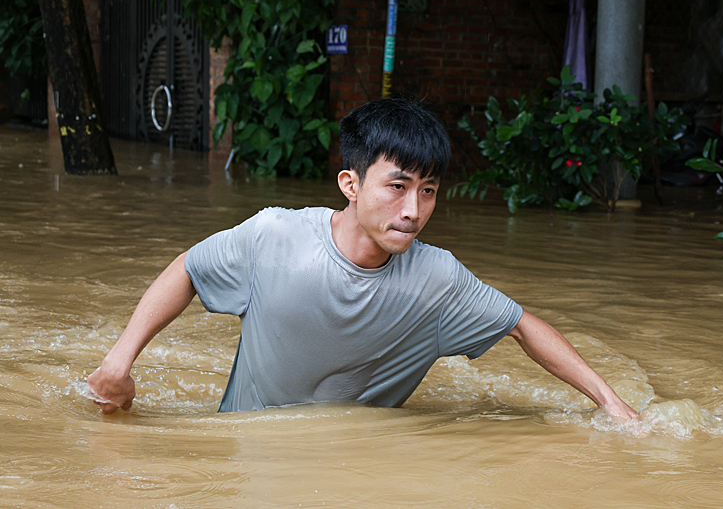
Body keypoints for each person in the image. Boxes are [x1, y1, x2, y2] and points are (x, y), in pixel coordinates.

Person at [88, 98, 638, 420]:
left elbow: (523, 327)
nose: (413, 209)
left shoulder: (436, 279)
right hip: (245, 455)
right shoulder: (275, 236)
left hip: (353, 470)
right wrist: (119, 361)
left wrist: (612, 404)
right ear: (350, 183)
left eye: (428, 191)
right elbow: (189, 268)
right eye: (397, 186)